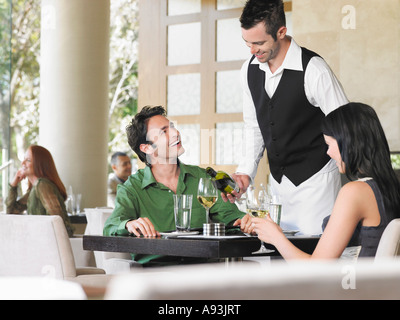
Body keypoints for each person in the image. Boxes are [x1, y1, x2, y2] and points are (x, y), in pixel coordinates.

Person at [228, 0, 349, 235]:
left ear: (281, 32)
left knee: (316, 261)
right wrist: (245, 171)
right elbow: (254, 127)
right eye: (247, 43)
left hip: (317, 184)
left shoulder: (314, 69)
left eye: (259, 43)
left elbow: (347, 126)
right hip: (278, 187)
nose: (252, 50)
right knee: (280, 257)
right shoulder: (249, 69)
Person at [104, 106, 251, 266]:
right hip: (156, 274)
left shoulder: (203, 177)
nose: (175, 133)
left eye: (172, 127)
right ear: (146, 148)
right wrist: (127, 224)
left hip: (202, 270)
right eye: (164, 132)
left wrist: (244, 221)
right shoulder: (132, 188)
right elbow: (110, 227)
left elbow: (230, 216)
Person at [252, 103, 400, 259]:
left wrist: (275, 237)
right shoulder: (391, 186)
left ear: (348, 143)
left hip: (353, 283)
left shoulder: (355, 192)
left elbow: (318, 269)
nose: (328, 153)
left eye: (329, 144)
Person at [6, 145, 74, 237]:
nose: (23, 163)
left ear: (39, 164)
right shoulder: (35, 188)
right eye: (24, 159)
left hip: (50, 245)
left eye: (28, 160)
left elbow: (57, 221)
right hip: (43, 242)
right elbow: (11, 211)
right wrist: (14, 185)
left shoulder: (42, 185)